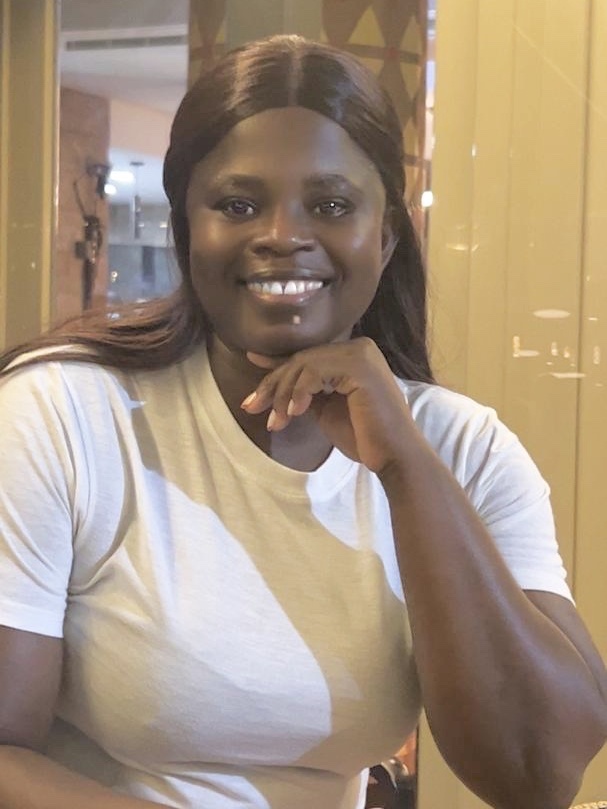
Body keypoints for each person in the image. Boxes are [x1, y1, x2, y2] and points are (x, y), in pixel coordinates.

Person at [0, 34, 605, 809]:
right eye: (237, 204)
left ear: (384, 236)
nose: (282, 233)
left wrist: (406, 469)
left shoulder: (464, 449)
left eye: (330, 205)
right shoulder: (62, 414)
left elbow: (536, 773)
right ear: (186, 231)